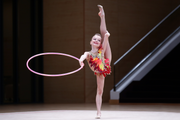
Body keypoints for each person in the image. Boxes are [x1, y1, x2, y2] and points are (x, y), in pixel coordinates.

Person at [79, 5, 112, 119]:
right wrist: (80, 61)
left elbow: (105, 40)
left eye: (98, 40)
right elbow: (83, 56)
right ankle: (99, 112)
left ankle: (102, 15)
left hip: (105, 58)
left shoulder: (101, 48)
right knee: (100, 91)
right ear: (91, 42)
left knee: (104, 33)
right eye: (95, 39)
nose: (97, 40)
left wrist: (106, 37)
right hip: (99, 71)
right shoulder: (88, 53)